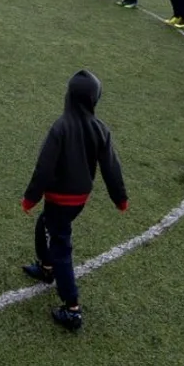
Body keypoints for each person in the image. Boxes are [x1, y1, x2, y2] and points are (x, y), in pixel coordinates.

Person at [21, 70, 128, 331]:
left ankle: (72, 308)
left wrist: (31, 197)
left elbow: (44, 167)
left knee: (60, 245)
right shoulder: (100, 128)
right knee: (45, 225)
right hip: (79, 197)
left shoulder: (61, 127)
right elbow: (111, 167)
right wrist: (119, 197)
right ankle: (46, 268)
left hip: (59, 196)